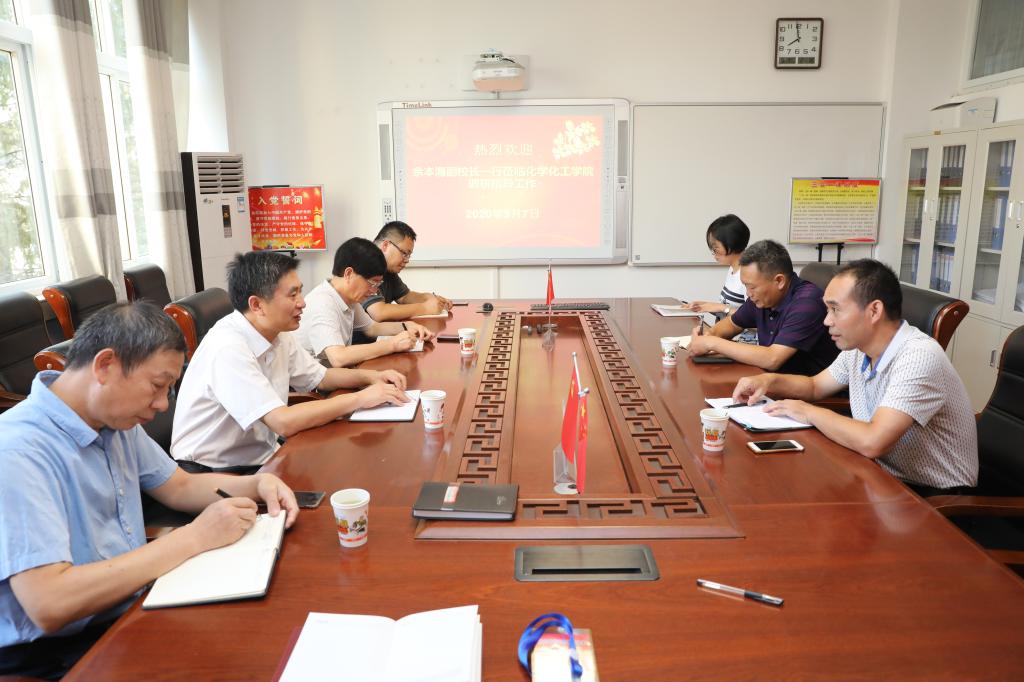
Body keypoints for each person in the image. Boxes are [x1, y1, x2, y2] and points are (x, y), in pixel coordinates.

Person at [0, 303, 299, 679]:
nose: (161, 405)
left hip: (127, 606)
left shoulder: (111, 421)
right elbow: (50, 603)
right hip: (55, 652)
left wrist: (257, 483)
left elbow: (180, 486)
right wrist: (194, 538)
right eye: (158, 386)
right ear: (105, 366)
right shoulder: (16, 451)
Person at [731, 259, 978, 496]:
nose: (826, 320)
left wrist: (808, 412)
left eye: (835, 309)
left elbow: (873, 441)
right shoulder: (859, 349)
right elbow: (815, 386)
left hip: (933, 496)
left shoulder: (918, 356)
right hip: (878, 475)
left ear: (874, 311)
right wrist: (769, 381)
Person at [171, 251, 409, 472]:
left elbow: (322, 377)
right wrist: (360, 398)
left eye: (300, 292)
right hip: (212, 471)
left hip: (263, 454)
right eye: (292, 294)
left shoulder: (277, 332)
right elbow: (282, 422)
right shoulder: (228, 347)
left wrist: (372, 377)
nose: (302, 302)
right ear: (257, 305)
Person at [688, 239, 839, 374]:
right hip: (771, 380)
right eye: (745, 286)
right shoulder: (763, 298)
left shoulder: (807, 303)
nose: (748, 293)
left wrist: (712, 343)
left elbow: (772, 359)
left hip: (808, 390)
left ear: (779, 281)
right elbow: (732, 324)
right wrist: (710, 334)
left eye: (752, 287)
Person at [297, 238, 435, 367]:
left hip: (336, 376)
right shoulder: (322, 303)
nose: (374, 291)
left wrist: (407, 326)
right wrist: (392, 345)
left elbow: (372, 328)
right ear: (348, 274)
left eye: (378, 284)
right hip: (316, 384)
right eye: (372, 283)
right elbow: (338, 357)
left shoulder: (347, 297)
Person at [362, 221, 453, 321]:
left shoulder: (388, 268)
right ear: (385, 245)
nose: (407, 260)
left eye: (408, 255)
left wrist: (430, 299)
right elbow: (379, 312)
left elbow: (404, 297)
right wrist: (425, 308)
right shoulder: (364, 262)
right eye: (404, 253)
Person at [684, 213, 750, 316]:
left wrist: (721, 307)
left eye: (715, 248)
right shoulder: (732, 269)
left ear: (731, 244)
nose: (714, 253)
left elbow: (753, 317)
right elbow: (726, 308)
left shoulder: (748, 275)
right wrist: (703, 305)